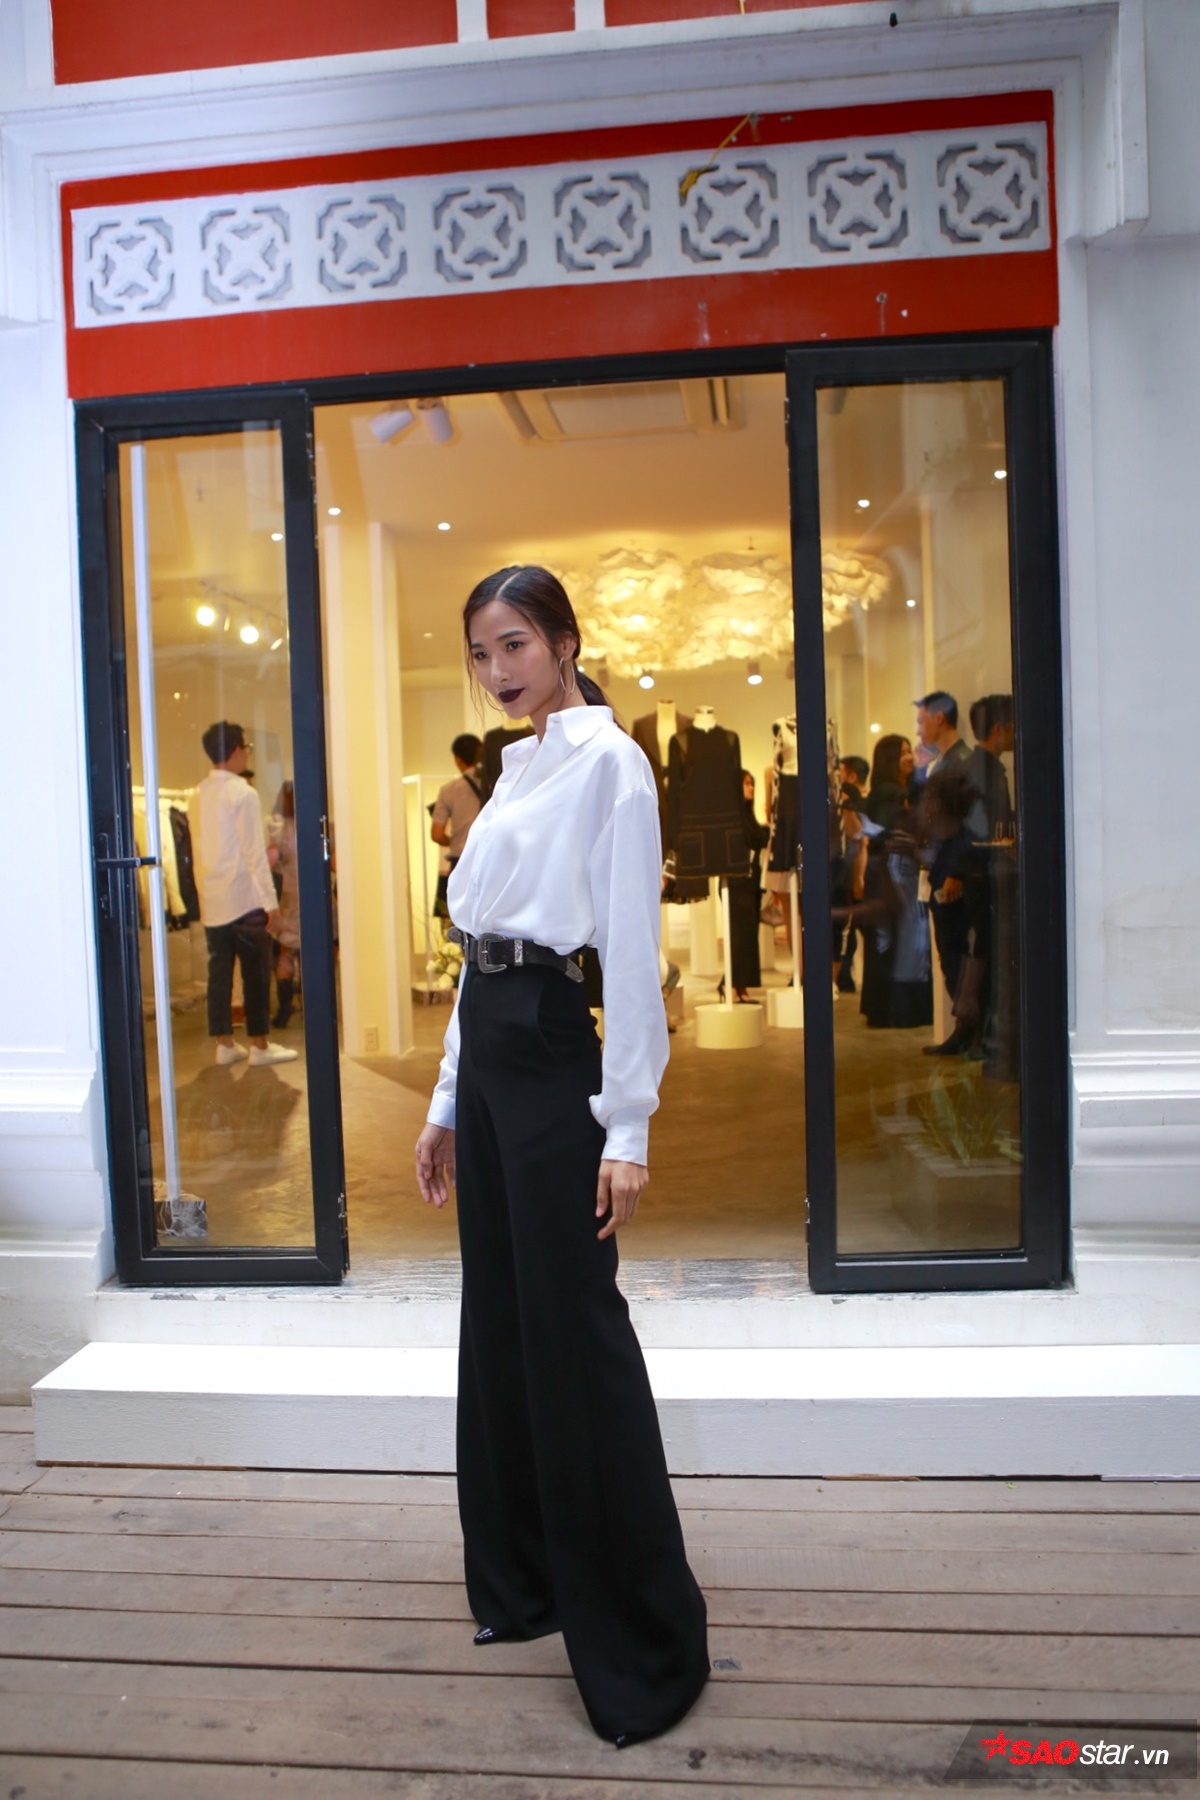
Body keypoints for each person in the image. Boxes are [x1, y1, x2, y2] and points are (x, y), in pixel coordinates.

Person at [413, 565, 709, 1749]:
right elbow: (477, 947)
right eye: (482, 652)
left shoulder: (610, 765)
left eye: (516, 645)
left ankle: (643, 1639)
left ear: (567, 642)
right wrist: (445, 1101)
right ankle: (524, 1580)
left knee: (576, 1330)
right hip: (490, 1051)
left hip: (547, 1055)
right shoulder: (519, 765)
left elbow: (628, 953)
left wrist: (626, 1126)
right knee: (501, 1317)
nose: (498, 670)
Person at [190, 722, 297, 1067]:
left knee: (219, 973)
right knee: (255, 973)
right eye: (246, 748)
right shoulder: (243, 793)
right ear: (236, 750)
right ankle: (259, 1045)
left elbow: (198, 851)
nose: (247, 754)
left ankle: (224, 1043)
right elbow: (254, 853)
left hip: (213, 899)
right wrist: (271, 905)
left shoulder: (197, 794)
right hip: (244, 899)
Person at [855, 734, 932, 1030]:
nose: (909, 757)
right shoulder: (890, 793)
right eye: (902, 753)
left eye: (909, 750)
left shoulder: (886, 791)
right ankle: (898, 1012)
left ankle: (885, 1010)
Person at [431, 733, 484, 921]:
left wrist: (454, 840)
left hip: (460, 861)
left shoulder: (448, 790)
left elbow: (437, 834)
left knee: (461, 920)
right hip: (488, 859)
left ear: (458, 759)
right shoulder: (494, 784)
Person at [267, 780, 301, 1029]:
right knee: (309, 955)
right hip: (307, 898)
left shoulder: (278, 831)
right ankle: (307, 1005)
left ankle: (285, 1008)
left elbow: (270, 862)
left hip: (290, 897)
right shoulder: (318, 825)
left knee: (285, 954)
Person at [967, 694, 1015, 838]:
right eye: (1013, 726)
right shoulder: (987, 773)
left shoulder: (974, 766)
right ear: (998, 729)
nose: (1016, 732)